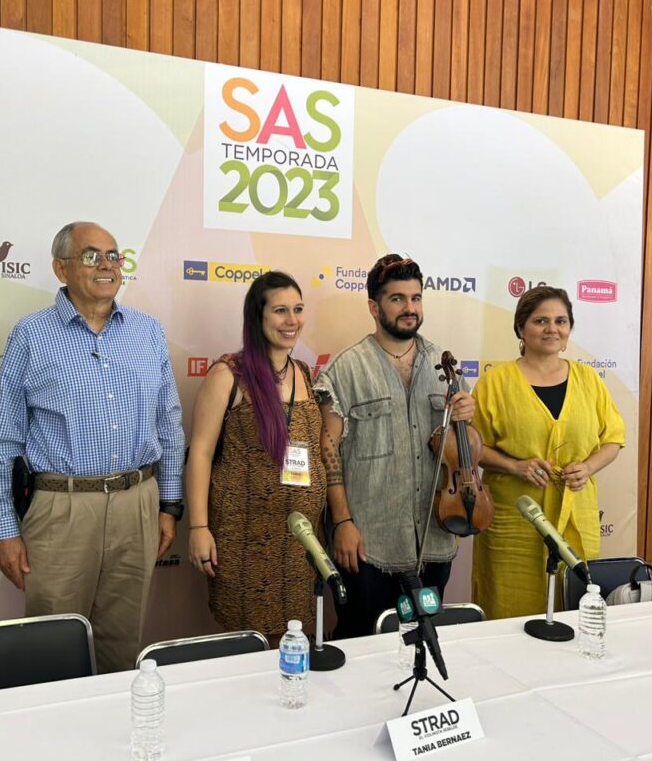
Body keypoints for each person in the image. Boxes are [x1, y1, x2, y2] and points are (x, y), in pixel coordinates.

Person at [0, 221, 185, 673]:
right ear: (61, 268)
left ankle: (116, 736)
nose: (107, 266)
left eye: (114, 256)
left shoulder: (147, 332)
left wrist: (169, 504)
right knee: (54, 643)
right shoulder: (31, 335)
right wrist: (4, 529)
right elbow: (1, 440)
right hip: (62, 509)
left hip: (138, 504)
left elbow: (168, 424)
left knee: (123, 644)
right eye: (92, 256)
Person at [314, 254, 475, 639]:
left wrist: (466, 418)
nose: (410, 308)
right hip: (369, 543)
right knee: (361, 639)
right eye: (398, 299)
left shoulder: (444, 364)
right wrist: (342, 523)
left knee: (421, 639)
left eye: (416, 298)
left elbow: (461, 451)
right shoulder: (346, 369)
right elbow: (328, 450)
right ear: (374, 306)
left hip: (434, 538)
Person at [185, 271, 326, 645]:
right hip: (245, 543)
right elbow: (199, 453)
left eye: (297, 309)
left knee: (296, 643)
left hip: (298, 546)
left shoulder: (304, 373)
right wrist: (199, 528)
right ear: (257, 317)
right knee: (252, 647)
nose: (292, 320)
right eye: (280, 310)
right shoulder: (228, 374)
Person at [470, 285, 625, 619]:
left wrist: (588, 467)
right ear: (521, 329)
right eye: (541, 321)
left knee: (574, 606)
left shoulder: (588, 379)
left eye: (561, 321)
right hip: (513, 518)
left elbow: (613, 439)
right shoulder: (494, 383)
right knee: (509, 608)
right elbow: (473, 448)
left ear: (569, 330)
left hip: (575, 514)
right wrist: (514, 466)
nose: (552, 329)